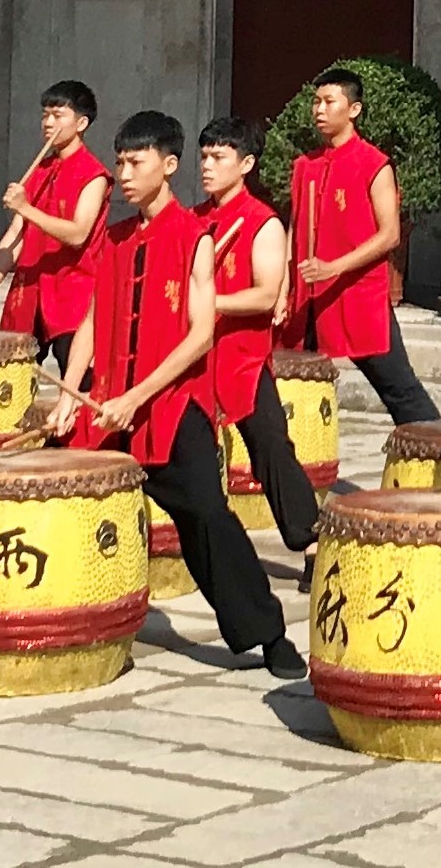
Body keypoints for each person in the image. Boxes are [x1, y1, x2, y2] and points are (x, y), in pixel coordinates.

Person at [51, 111, 302, 678]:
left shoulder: (195, 237)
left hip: (169, 405)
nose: (124, 173)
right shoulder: (114, 239)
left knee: (206, 520)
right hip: (111, 405)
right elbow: (95, 318)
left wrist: (137, 395)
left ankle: (268, 634)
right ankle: (75, 626)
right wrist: (73, 388)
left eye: (135, 162)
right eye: (119, 162)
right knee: (67, 501)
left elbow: (200, 334)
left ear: (167, 166)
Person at [288, 68, 440, 425]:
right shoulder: (304, 166)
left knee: (398, 388)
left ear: (353, 109)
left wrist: (334, 267)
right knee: (290, 386)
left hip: (357, 294)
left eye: (329, 102)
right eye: (316, 102)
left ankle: (437, 454)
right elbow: (293, 229)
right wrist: (283, 290)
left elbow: (389, 235)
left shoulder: (374, 164)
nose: (319, 110)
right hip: (307, 298)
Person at [197, 115, 318, 557]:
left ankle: (308, 539)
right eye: (204, 156)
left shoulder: (261, 222)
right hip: (195, 356)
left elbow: (266, 294)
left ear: (245, 163)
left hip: (241, 357)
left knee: (269, 449)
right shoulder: (195, 219)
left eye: (219, 157)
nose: (208, 166)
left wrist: (211, 302)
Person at [0, 81, 108, 363]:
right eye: (44, 115)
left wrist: (26, 208)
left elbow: (78, 234)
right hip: (29, 288)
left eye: (58, 115)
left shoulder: (94, 175)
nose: (48, 123)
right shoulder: (39, 170)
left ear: (81, 123)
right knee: (12, 380)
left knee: (76, 376)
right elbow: (16, 233)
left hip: (71, 292)